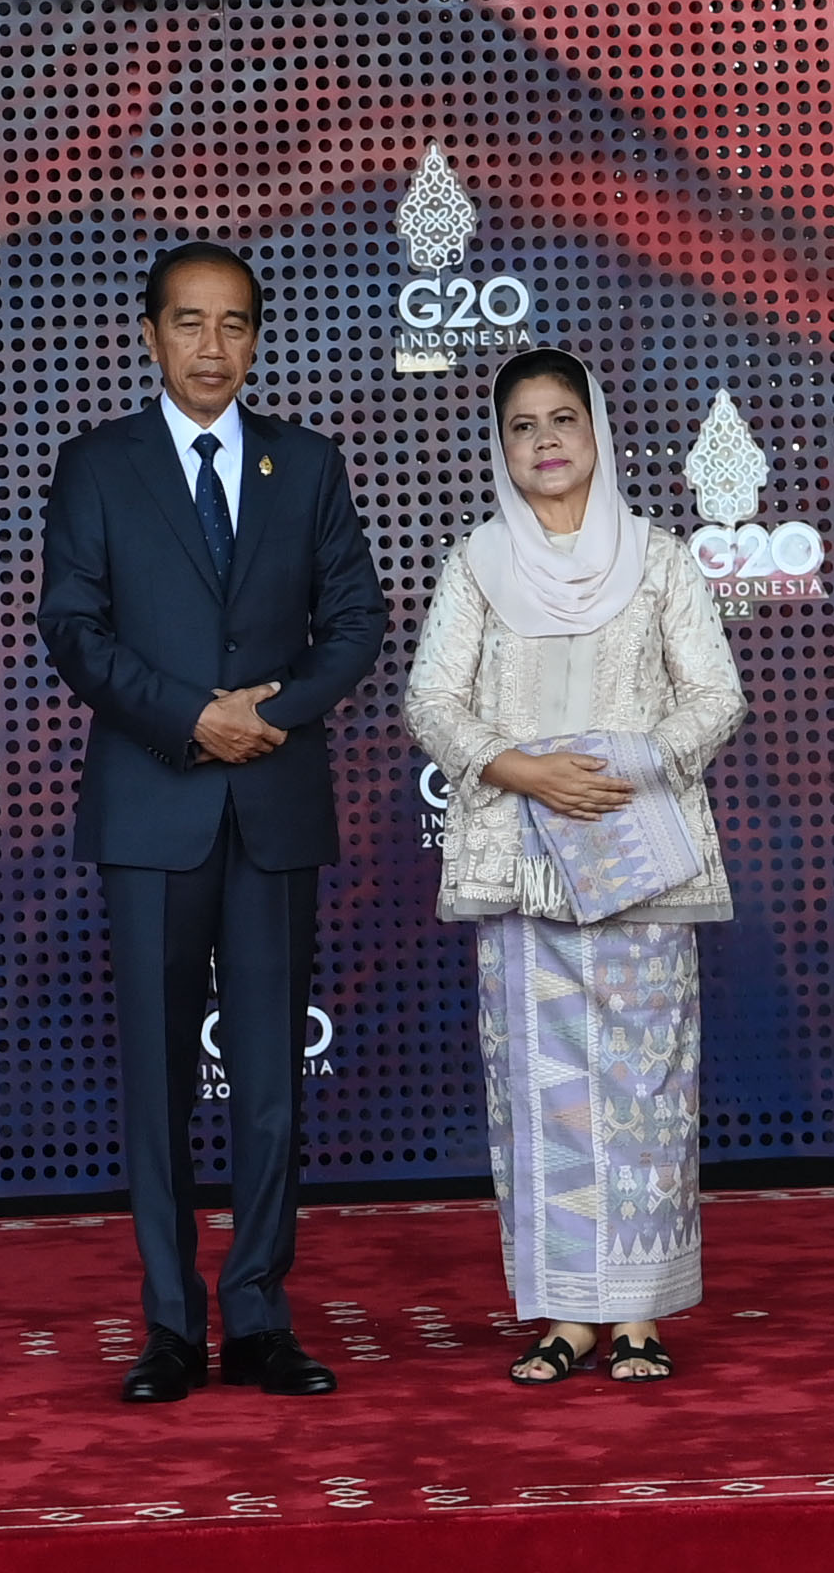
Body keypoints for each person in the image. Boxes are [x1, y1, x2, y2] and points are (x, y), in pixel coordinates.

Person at [39, 239, 390, 1402]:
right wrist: (194, 717)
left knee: (271, 1085)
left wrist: (268, 716)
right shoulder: (97, 465)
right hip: (151, 809)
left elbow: (354, 618)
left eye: (233, 323)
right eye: (188, 321)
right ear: (148, 333)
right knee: (155, 1086)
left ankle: (258, 1313)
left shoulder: (308, 461)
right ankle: (170, 1326)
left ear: (256, 336)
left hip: (273, 806)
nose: (210, 345)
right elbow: (74, 630)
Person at [400, 345, 740, 1384]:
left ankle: (636, 1314)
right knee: (542, 1089)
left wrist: (615, 764)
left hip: (634, 857)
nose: (544, 441)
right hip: (519, 859)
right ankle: (563, 1312)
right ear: (499, 446)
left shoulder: (659, 558)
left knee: (643, 1081)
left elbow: (715, 696)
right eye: (521, 425)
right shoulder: (476, 564)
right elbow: (429, 701)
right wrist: (526, 771)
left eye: (562, 419)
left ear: (595, 429)